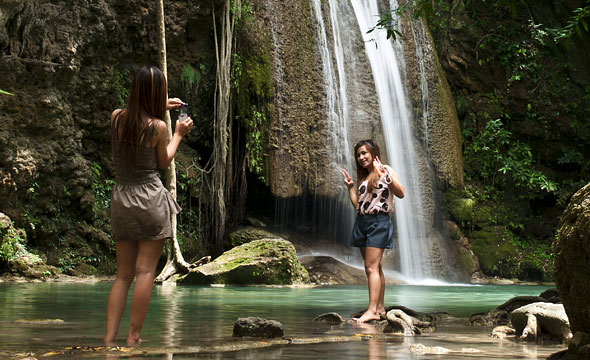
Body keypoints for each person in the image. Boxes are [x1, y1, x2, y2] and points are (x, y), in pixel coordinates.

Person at [104, 65, 193, 346]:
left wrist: (157, 103)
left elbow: (136, 115)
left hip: (122, 199)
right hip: (150, 200)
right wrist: (178, 133)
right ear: (155, 95)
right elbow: (164, 161)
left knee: (123, 275)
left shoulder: (116, 118)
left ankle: (109, 339)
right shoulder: (159, 127)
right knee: (145, 272)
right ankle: (133, 338)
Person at [339, 139, 404, 323]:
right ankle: (380, 308)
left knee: (371, 267)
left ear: (373, 153)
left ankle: (372, 310)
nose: (361, 157)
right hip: (362, 222)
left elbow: (400, 193)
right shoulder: (365, 178)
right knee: (376, 267)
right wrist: (351, 187)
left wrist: (386, 176)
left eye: (364, 153)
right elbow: (358, 205)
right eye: (358, 155)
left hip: (378, 222)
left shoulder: (385, 170)